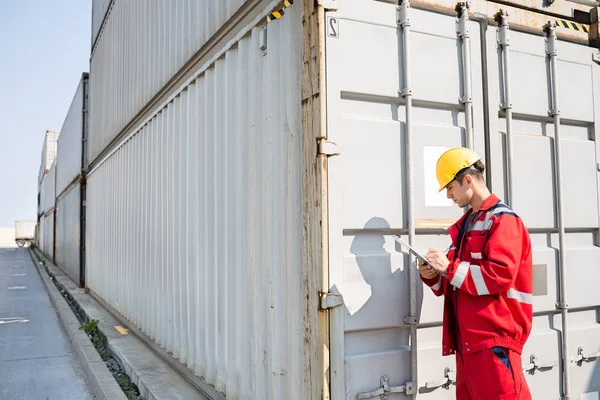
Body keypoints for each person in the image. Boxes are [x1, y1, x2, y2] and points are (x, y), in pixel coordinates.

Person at [419, 147, 533, 400]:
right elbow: (455, 283)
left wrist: (448, 267)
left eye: (450, 187)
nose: (448, 195)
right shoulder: (466, 225)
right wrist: (432, 274)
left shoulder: (504, 221)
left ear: (467, 180)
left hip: (494, 343)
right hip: (468, 345)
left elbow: (499, 275)